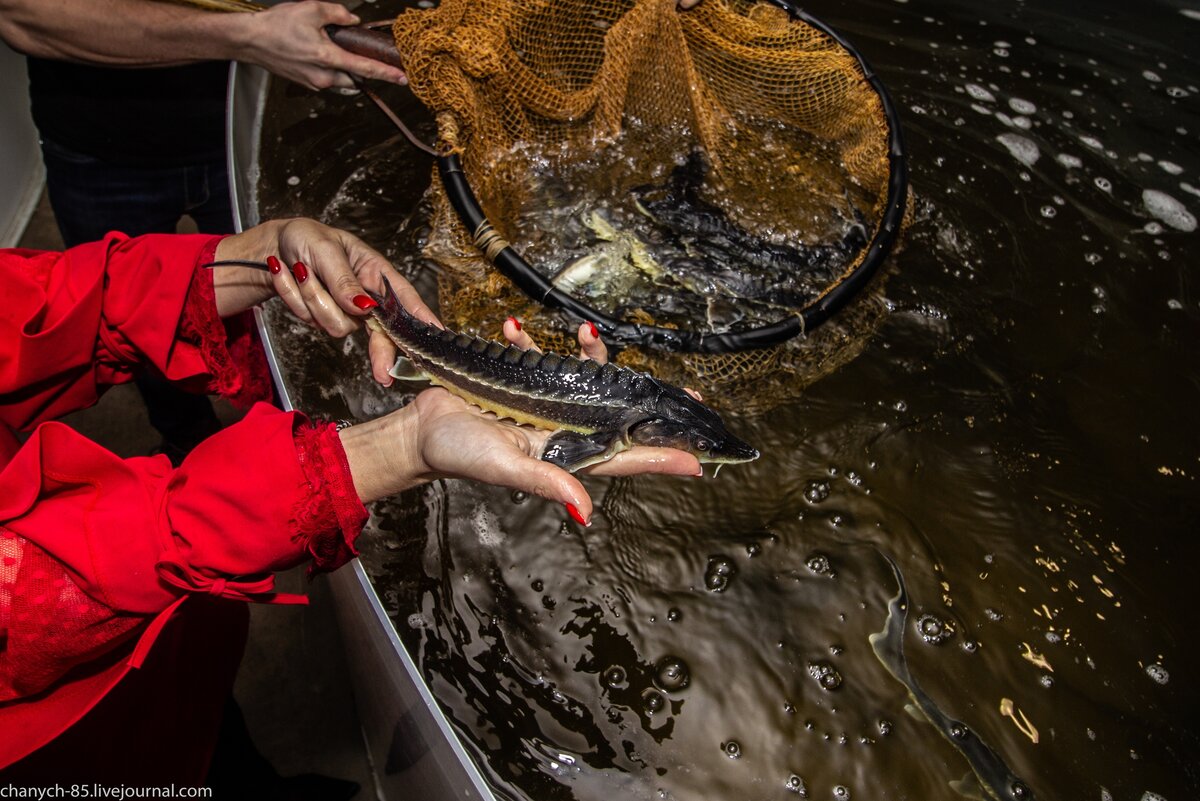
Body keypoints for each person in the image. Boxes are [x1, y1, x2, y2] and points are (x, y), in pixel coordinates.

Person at [0, 217, 701, 781]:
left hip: (173, 652)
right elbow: (47, 593)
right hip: (51, 746)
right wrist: (387, 450)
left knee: (208, 740)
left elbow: (36, 312)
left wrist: (259, 255)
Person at [0, 0, 409, 463]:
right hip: (95, 139)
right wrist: (248, 37)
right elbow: (21, 14)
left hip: (249, 117)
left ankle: (283, 443)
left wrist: (265, 249)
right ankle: (186, 442)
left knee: (289, 321)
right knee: (134, 341)